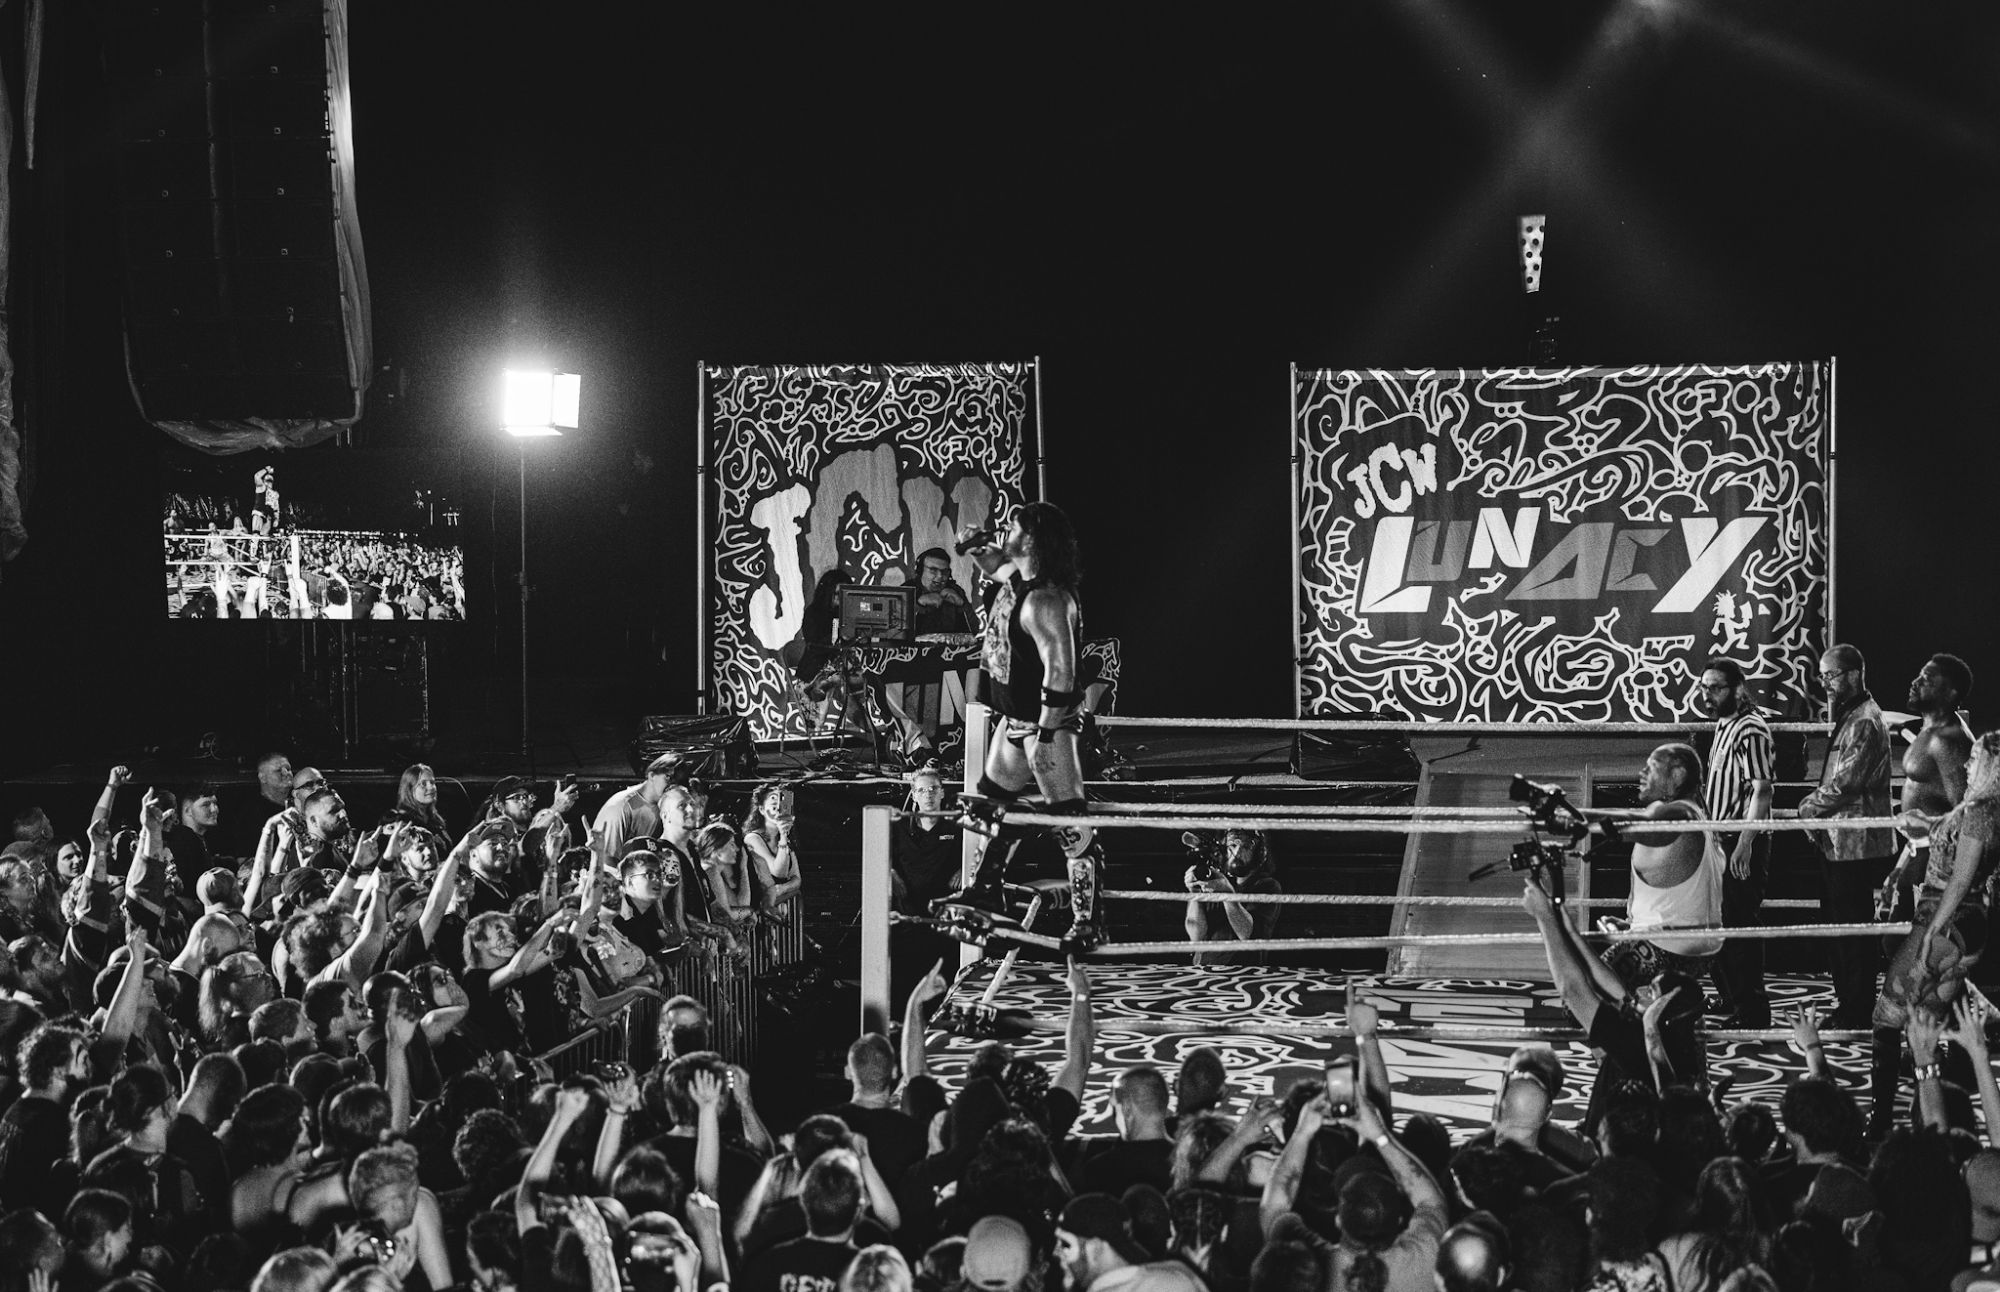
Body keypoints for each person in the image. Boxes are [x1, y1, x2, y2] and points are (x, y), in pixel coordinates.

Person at [937, 503, 1106, 953]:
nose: (1005, 530)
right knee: (990, 805)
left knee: (1069, 824)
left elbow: (1062, 674)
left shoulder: (1048, 600)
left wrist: (1048, 734)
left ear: (1031, 539)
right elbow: (994, 565)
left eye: (1013, 526)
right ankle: (984, 891)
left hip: (1046, 727)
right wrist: (972, 545)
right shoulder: (1019, 578)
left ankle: (1089, 920)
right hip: (1015, 720)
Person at [1871, 730, 2000, 1133]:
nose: (1967, 763)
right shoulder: (1979, 808)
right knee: (1921, 1025)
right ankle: (1928, 1123)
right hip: (1961, 922)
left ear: (1991, 765)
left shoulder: (1981, 809)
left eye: (1975, 757)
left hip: (1948, 918)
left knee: (1888, 1017)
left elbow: (1960, 880)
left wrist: (1931, 934)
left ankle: (1880, 1123)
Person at [1522, 872, 1707, 1131]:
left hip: (1608, 1150)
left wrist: (1545, 920)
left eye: (1650, 991)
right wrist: (1565, 923)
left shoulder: (1633, 1043)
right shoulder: (1668, 1043)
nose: (1640, 988)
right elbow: (1610, 983)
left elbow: (1573, 990)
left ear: (1661, 1013)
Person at [1796, 643, 1897, 1030]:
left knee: (1851, 931)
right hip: (1840, 840)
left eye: (1831, 675)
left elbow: (1847, 783)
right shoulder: (1855, 715)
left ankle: (1855, 1009)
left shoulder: (1865, 721)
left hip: (1854, 844)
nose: (1826, 685)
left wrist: (1807, 808)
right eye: (1822, 677)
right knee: (1842, 928)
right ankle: (1849, 1005)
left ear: (1855, 673)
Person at [1698, 661, 1776, 1027]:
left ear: (1738, 688)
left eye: (1716, 688)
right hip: (1720, 837)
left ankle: (1753, 1010)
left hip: (1741, 839)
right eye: (1704, 687)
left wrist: (1745, 842)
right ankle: (1732, 998)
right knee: (1722, 922)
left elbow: (1762, 790)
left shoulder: (1751, 729)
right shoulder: (1725, 724)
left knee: (1741, 924)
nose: (1707, 695)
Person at [1880, 656, 1974, 923]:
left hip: (1935, 858)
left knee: (1910, 942)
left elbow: (1967, 813)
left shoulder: (1948, 740)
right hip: (1918, 850)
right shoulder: (1930, 728)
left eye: (1927, 679)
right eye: (1919, 676)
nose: (1915, 682)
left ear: (1950, 692)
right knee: (1895, 936)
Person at [1183, 829, 1281, 966]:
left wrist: (1227, 894)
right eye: (1233, 846)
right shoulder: (1215, 882)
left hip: (1242, 975)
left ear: (1259, 852)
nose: (1237, 853)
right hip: (1205, 971)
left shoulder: (1268, 886)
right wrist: (1195, 894)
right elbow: (1196, 936)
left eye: (1246, 847)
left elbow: (1247, 934)